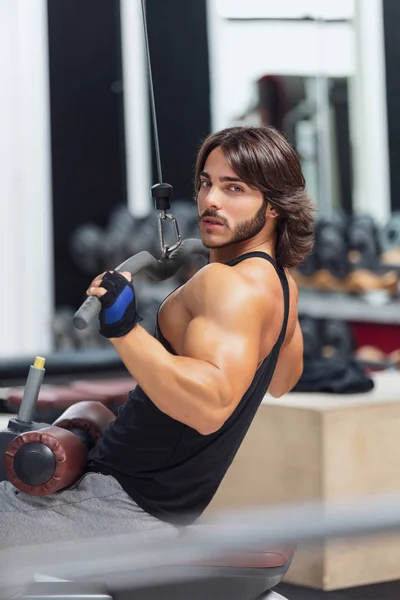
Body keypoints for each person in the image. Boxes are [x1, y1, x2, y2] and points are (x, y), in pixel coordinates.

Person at [0, 125, 314, 548]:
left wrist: (123, 328)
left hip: (113, 509)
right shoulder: (280, 283)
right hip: (141, 503)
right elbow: (281, 381)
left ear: (275, 206)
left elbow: (210, 408)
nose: (210, 201)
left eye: (234, 188)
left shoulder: (225, 284)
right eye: (206, 183)